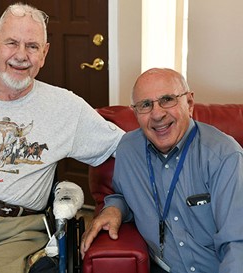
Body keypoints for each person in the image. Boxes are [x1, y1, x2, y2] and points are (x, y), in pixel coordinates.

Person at [0, 3, 124, 273]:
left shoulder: (65, 107)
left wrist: (117, 204)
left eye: (32, 46)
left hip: (15, 236)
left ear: (44, 53)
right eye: (11, 43)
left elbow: (126, 150)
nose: (21, 55)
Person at [81, 68, 243, 273]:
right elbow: (124, 194)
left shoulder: (224, 156)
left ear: (189, 103)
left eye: (167, 99)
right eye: (145, 105)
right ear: (136, 112)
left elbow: (237, 243)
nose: (157, 114)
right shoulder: (128, 150)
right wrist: (114, 208)